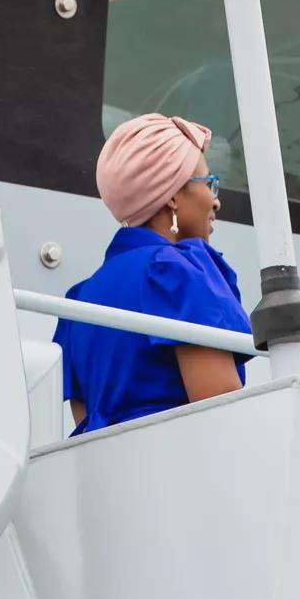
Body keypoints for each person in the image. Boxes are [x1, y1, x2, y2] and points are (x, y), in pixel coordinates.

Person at [53, 113, 251, 434]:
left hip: (104, 465)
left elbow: (85, 421)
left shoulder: (79, 300)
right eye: (208, 183)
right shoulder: (177, 270)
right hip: (180, 461)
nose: (215, 201)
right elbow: (221, 414)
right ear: (171, 196)